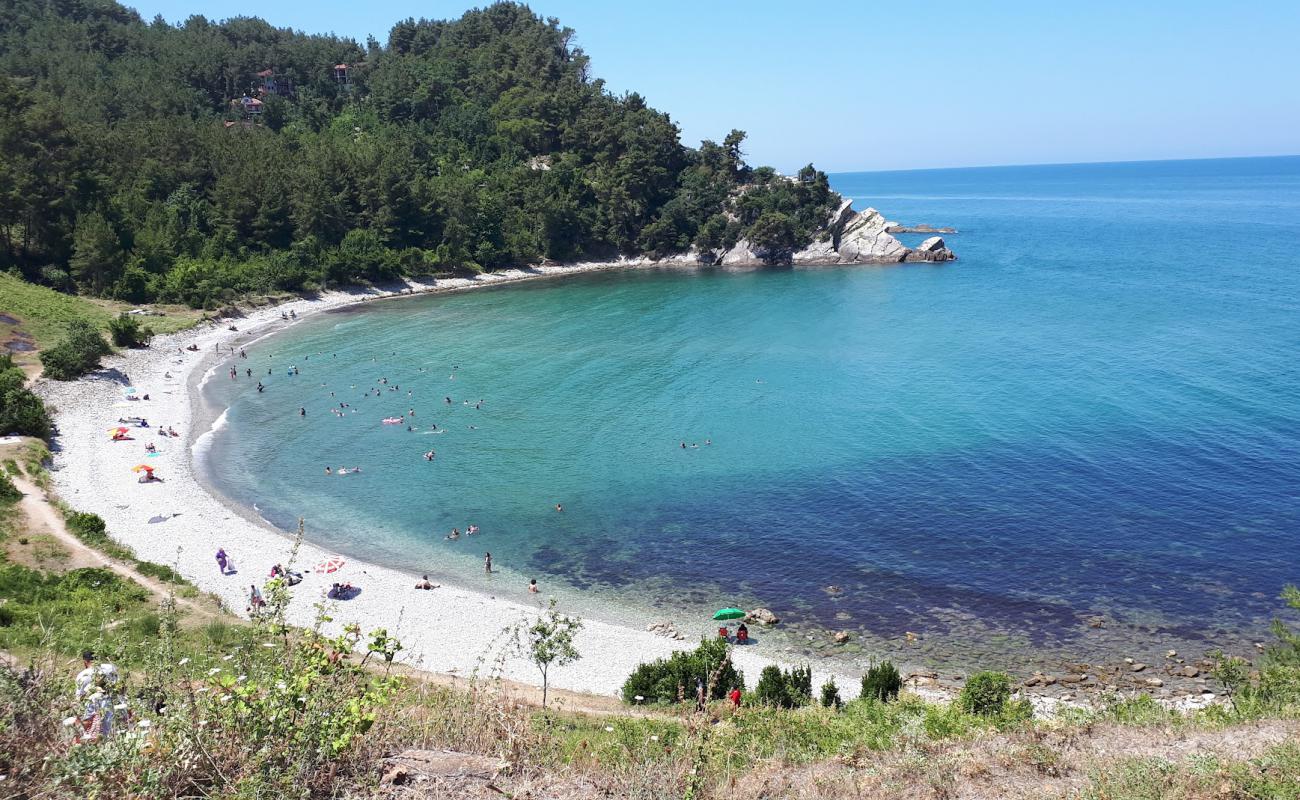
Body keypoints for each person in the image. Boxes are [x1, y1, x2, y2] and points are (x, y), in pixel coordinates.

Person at [75, 649, 122, 739]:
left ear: (85, 662)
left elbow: (79, 698)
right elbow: (120, 687)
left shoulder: (82, 676)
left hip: (92, 708)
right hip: (112, 705)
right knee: (112, 733)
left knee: (91, 735)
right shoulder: (110, 668)